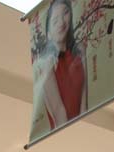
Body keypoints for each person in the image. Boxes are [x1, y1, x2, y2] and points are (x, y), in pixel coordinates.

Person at [31, 0, 87, 133]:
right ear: (49, 33)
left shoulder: (80, 51)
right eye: (55, 21)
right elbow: (59, 113)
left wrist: (86, 130)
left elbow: (84, 101)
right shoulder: (46, 64)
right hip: (63, 133)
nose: (61, 22)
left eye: (65, 13)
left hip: (82, 129)